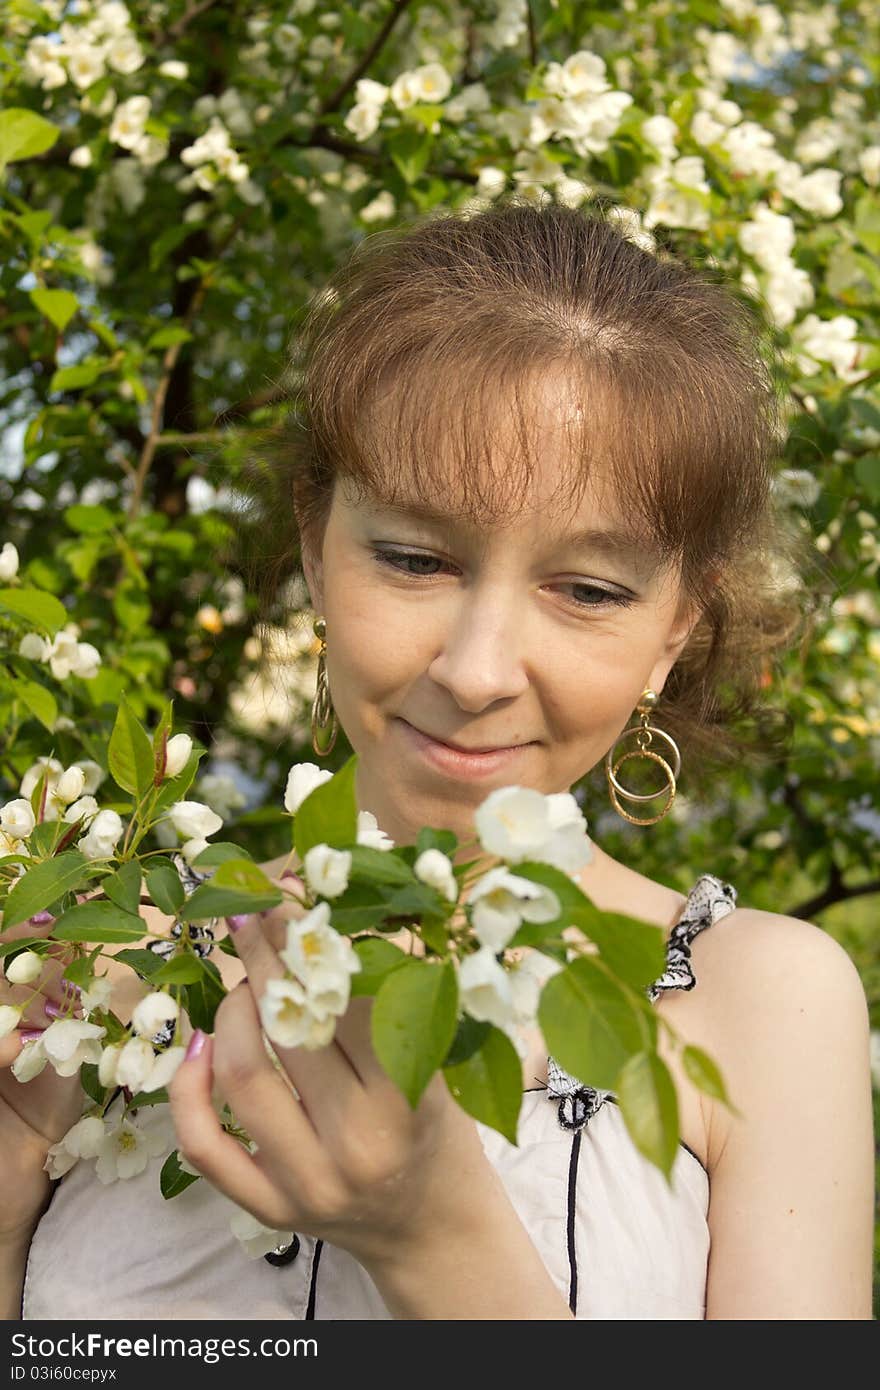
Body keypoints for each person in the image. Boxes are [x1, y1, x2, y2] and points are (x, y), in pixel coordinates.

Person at [2, 202, 874, 1321]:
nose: (476, 670)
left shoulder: (757, 1003)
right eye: (415, 558)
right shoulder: (113, 976)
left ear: (673, 629)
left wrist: (435, 1245)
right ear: (315, 550)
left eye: (589, 589)